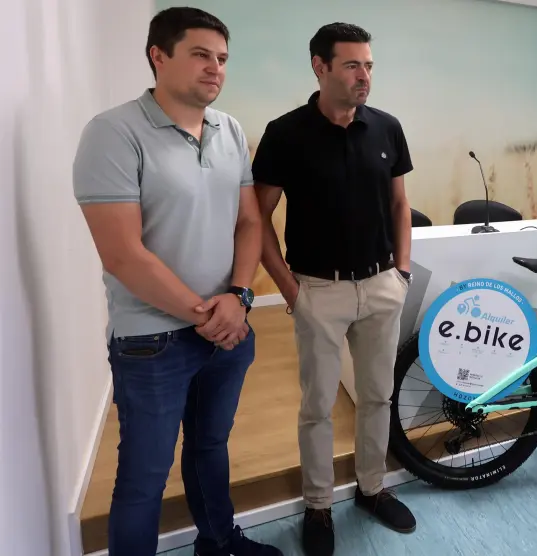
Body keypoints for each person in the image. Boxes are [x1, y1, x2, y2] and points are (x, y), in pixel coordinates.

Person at [72, 7, 282, 556]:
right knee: (144, 480)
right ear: (158, 56)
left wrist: (239, 296)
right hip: (152, 340)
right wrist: (209, 314)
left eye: (222, 59)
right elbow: (123, 255)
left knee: (210, 447)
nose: (215, 68)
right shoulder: (113, 133)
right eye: (200, 55)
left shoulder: (229, 129)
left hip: (226, 330)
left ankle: (218, 542)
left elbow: (250, 221)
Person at [252, 22, 415, 556]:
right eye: (351, 65)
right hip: (318, 290)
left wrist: (403, 271)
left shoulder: (387, 128)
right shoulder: (285, 133)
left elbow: (399, 206)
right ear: (319, 67)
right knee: (318, 406)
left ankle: (372, 489)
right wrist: (291, 290)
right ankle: (318, 505)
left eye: (368, 65)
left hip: (381, 285)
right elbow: (257, 220)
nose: (364, 75)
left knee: (377, 397)